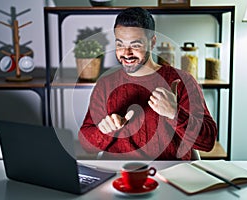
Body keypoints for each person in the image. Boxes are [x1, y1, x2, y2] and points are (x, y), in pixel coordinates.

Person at [78, 7, 217, 160]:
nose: (126, 53)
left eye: (135, 45)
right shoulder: (106, 84)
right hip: (121, 176)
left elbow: (208, 142)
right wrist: (105, 131)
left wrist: (174, 113)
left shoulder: (182, 80)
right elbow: (86, 145)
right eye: (120, 44)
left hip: (169, 174)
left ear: (152, 43)